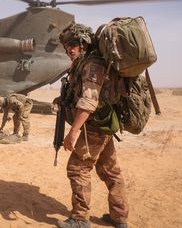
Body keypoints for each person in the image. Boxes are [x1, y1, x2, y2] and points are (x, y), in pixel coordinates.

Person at [56, 22, 129, 228]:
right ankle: (119, 217)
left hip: (95, 127)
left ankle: (79, 219)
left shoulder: (92, 64)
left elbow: (89, 101)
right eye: (67, 46)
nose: (70, 49)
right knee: (110, 172)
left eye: (74, 44)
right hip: (103, 125)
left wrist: (73, 131)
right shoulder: (85, 63)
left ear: (84, 43)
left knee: (77, 168)